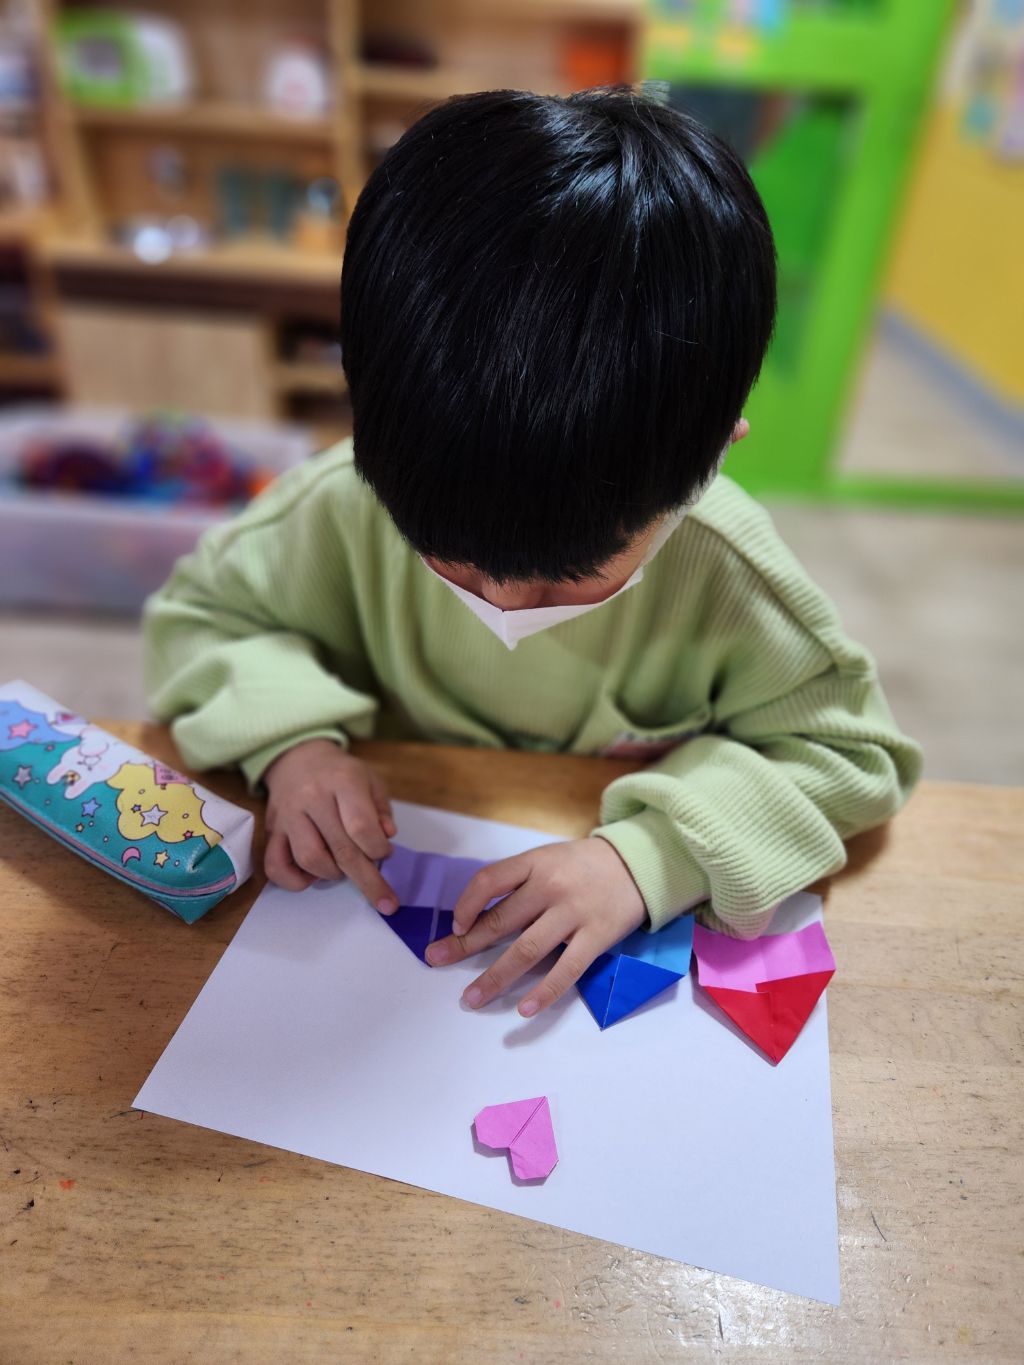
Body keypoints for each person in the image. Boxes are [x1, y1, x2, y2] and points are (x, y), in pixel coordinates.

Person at [143, 87, 921, 1019]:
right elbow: (202, 619)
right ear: (371, 426)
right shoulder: (336, 509)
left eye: (570, 573)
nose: (507, 601)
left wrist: (648, 858)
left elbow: (849, 758)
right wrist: (291, 744)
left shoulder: (725, 569)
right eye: (451, 556)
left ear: (712, 458)